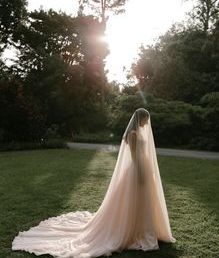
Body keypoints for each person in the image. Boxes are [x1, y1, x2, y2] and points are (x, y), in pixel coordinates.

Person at [12, 108, 176, 258]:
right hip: (137, 170)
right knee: (134, 201)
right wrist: (141, 173)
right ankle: (133, 229)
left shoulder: (138, 132)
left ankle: (144, 228)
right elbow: (134, 156)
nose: (147, 122)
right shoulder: (133, 134)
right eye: (146, 119)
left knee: (144, 201)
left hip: (143, 168)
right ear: (140, 118)